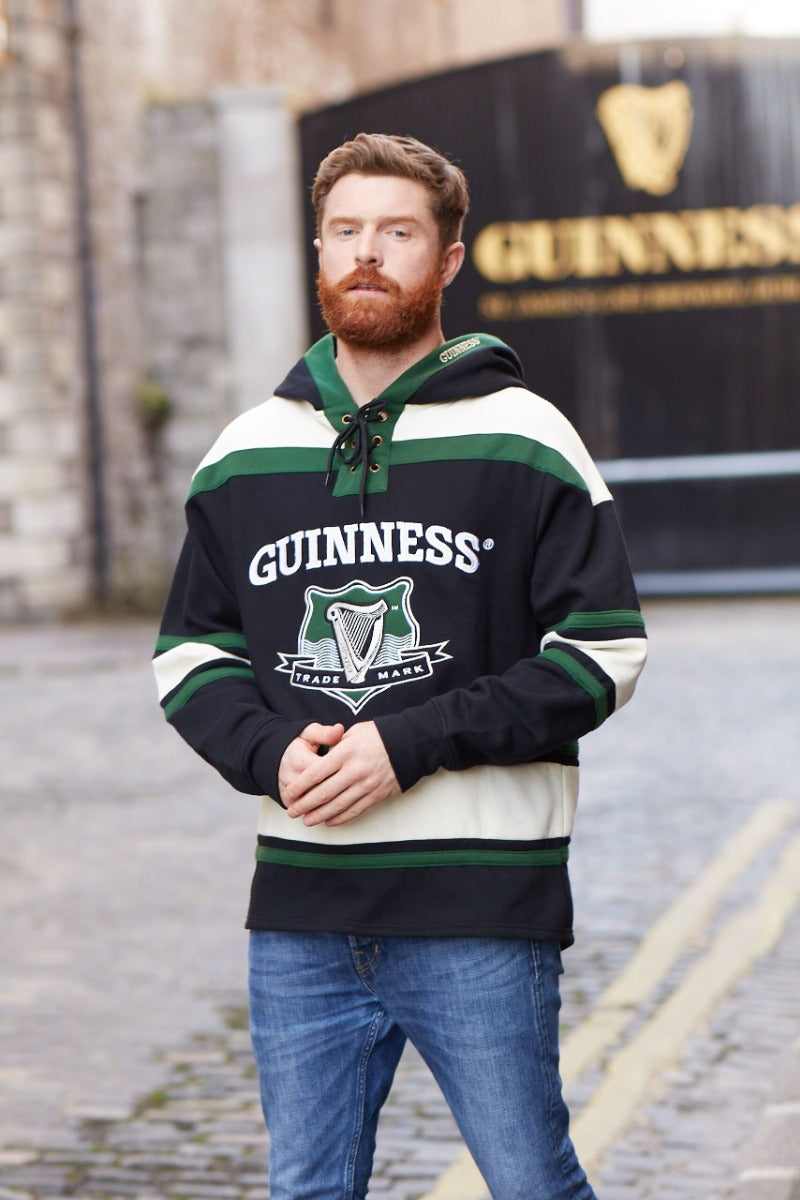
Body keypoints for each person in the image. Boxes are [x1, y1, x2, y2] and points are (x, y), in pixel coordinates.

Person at [154, 132, 647, 1200]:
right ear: (316, 251)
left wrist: (406, 745)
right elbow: (192, 651)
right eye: (344, 233)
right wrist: (270, 752)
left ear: (447, 260)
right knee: (306, 1192)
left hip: (477, 909)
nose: (365, 254)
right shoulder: (245, 451)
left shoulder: (526, 437)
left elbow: (600, 653)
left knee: (529, 1184)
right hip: (301, 914)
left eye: (396, 232)